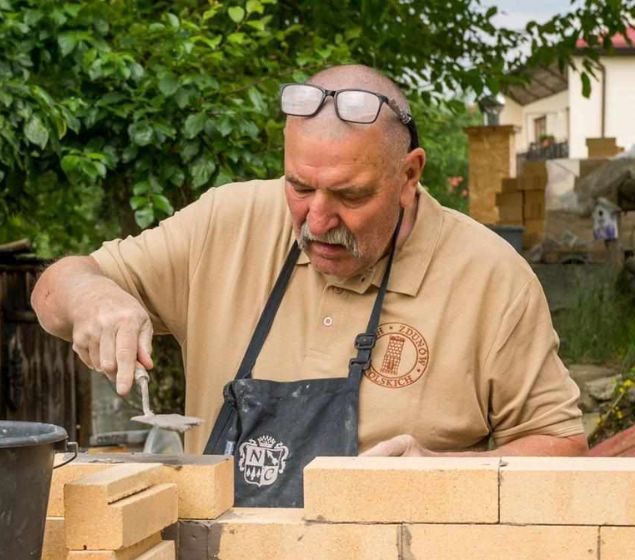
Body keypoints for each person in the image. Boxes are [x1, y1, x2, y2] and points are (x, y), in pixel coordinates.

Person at [32, 65, 586, 508]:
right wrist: (92, 296)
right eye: (299, 187)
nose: (317, 221)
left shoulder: (489, 277)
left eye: (350, 195)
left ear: (409, 174)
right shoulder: (226, 222)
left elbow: (563, 448)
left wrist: (441, 473)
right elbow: (53, 292)